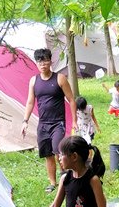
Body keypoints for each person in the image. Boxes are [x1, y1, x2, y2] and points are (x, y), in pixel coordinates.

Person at [21, 48, 77, 193]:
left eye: (45, 60)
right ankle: (52, 183)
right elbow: (30, 102)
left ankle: (65, 176)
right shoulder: (34, 81)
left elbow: (71, 100)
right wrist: (25, 121)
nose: (43, 64)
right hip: (43, 124)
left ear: (50, 61)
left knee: (59, 151)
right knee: (48, 155)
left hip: (58, 123)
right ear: (36, 63)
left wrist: (75, 121)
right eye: (40, 61)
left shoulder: (60, 79)